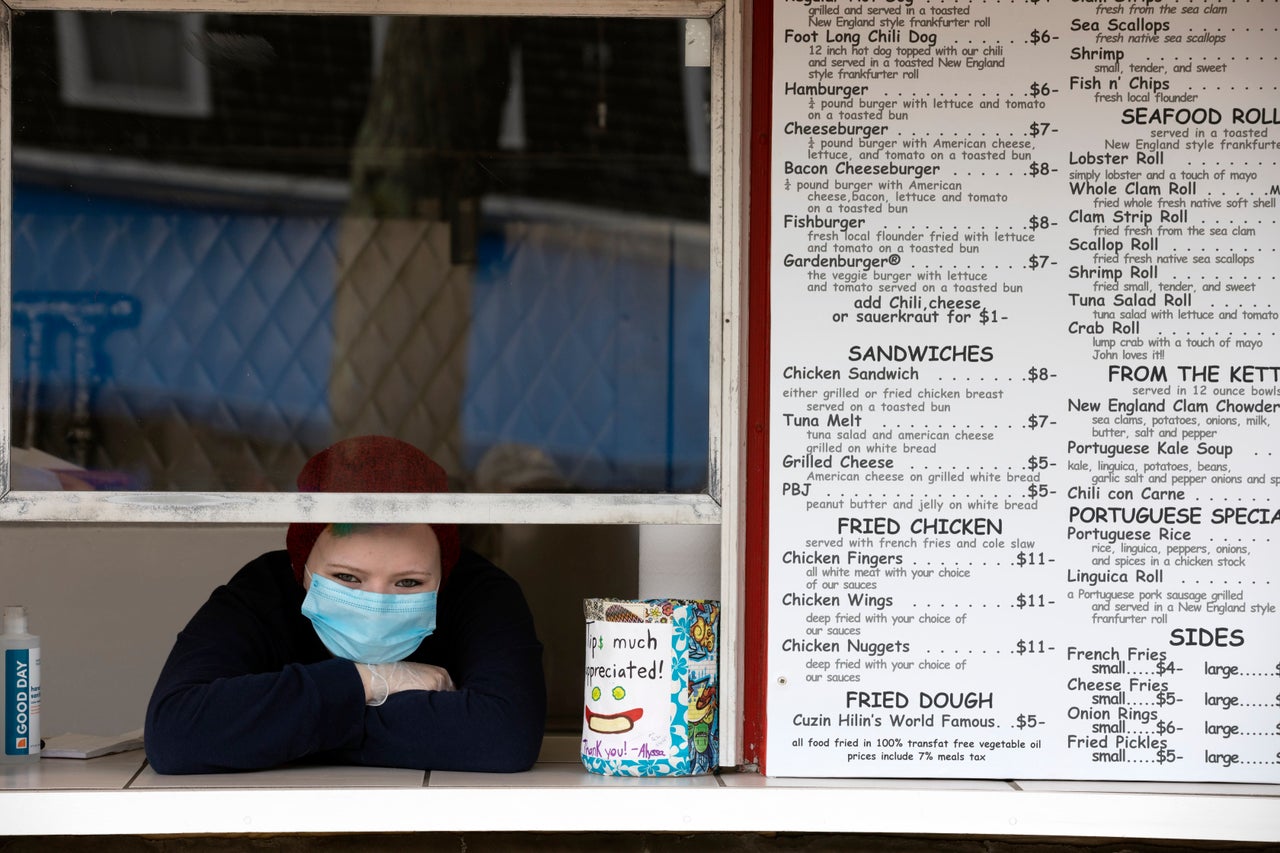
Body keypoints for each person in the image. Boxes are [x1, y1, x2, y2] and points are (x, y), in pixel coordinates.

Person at [144, 435, 546, 774]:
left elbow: (505, 736)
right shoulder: (263, 590)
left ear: (444, 575)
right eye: (347, 578)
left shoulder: (482, 594)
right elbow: (175, 730)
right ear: (301, 568)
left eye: (409, 582)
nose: (376, 602)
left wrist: (281, 731)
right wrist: (370, 681)